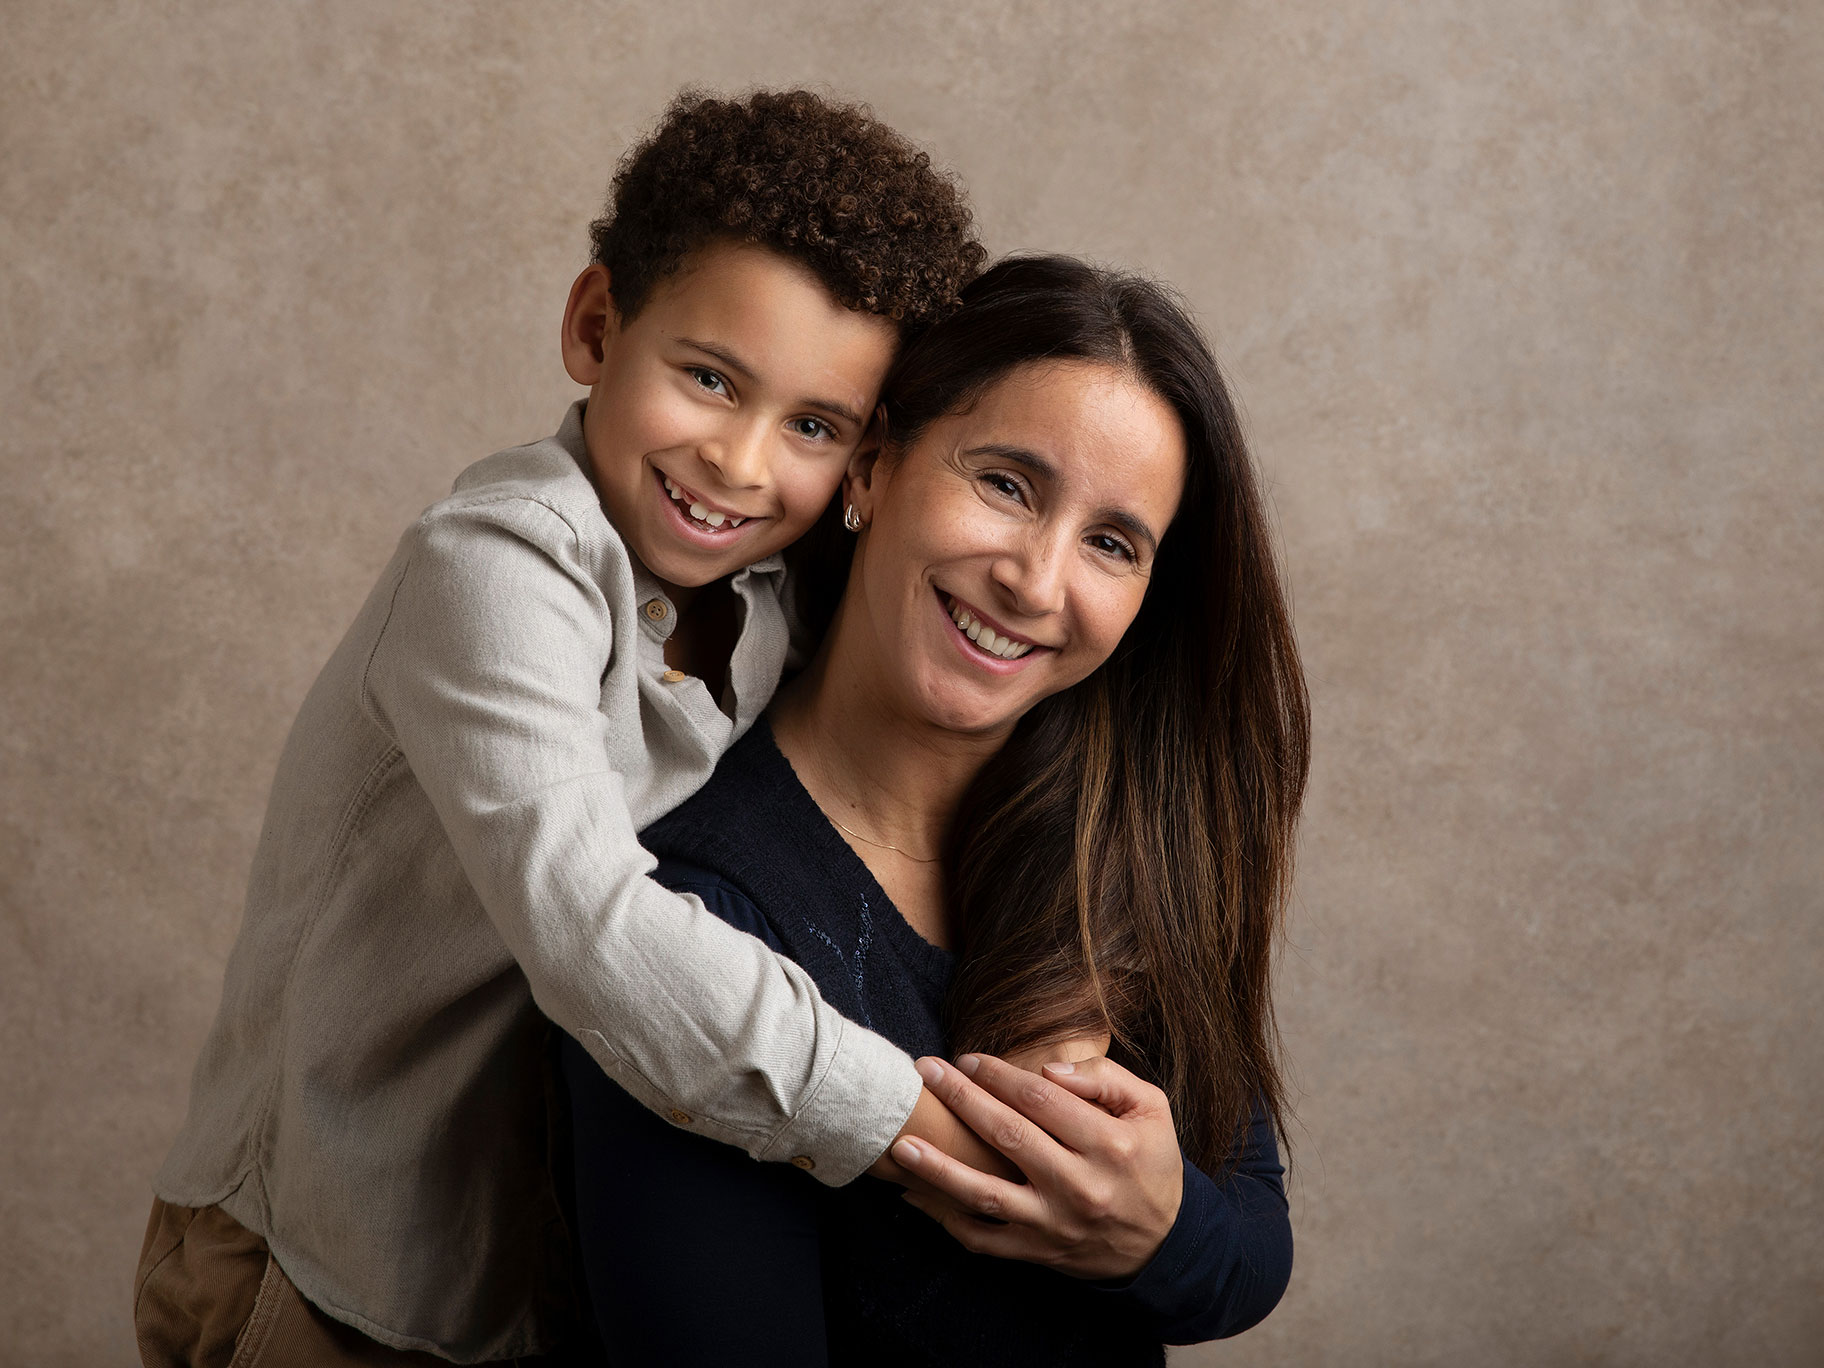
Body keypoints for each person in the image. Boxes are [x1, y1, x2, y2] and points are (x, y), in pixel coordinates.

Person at [133, 90, 990, 1366]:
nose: (743, 464)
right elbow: (595, 934)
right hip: (315, 1262)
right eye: (709, 378)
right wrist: (913, 1119)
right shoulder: (498, 564)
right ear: (597, 327)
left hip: (508, 1271)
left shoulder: (770, 593)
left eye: (814, 426)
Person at [561, 255, 1311, 1364]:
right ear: (870, 470)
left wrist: (1163, 1233)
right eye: (1007, 484)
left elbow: (1253, 1249)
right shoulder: (688, 921)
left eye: (1113, 543)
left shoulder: (1121, 839)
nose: (1038, 582)